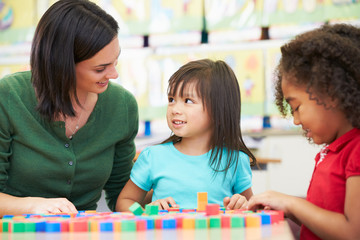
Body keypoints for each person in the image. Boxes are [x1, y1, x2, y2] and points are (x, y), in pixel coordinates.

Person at [0, 0, 138, 217]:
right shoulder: (8, 96)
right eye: (100, 68)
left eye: (115, 61)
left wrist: (160, 195)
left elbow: (122, 194)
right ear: (61, 65)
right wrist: (32, 206)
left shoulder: (123, 106)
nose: (113, 75)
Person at [246, 23, 360, 240]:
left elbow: (353, 231)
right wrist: (287, 208)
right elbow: (325, 219)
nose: (296, 120)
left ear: (331, 93)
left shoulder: (356, 151)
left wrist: (292, 203)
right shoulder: (332, 153)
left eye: (297, 107)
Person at [116, 59, 256, 211]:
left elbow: (251, 207)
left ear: (219, 110)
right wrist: (146, 213)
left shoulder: (235, 161)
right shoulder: (153, 157)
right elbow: (125, 201)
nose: (175, 109)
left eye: (188, 100)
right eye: (171, 99)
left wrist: (242, 204)